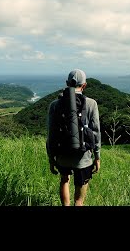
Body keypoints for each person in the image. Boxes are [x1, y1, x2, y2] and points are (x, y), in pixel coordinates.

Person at [46, 69, 101, 206]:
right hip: (83, 157)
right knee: (79, 200)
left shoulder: (55, 105)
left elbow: (51, 134)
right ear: (84, 85)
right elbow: (96, 132)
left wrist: (51, 158)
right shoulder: (91, 103)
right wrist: (97, 156)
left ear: (67, 83)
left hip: (62, 154)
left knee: (64, 180)